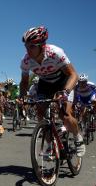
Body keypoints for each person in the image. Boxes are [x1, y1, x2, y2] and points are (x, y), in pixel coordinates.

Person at [19, 26, 85, 156]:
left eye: (32, 46)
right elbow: (25, 82)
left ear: (42, 46)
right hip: (45, 83)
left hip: (63, 81)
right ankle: (49, 144)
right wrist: (22, 96)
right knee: (40, 111)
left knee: (65, 114)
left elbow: (74, 75)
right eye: (26, 46)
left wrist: (65, 91)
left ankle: (78, 137)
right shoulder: (26, 61)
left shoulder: (56, 53)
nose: (28, 50)